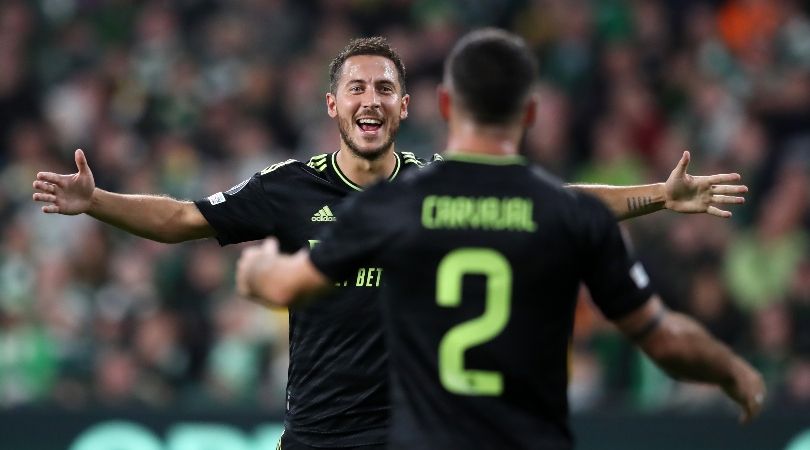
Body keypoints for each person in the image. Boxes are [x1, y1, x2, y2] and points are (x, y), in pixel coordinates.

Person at [34, 37, 748, 449]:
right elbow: (184, 218)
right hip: (318, 435)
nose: (370, 100)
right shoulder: (288, 187)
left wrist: (661, 193)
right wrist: (97, 202)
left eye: (384, 88)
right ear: (333, 104)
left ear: (407, 106)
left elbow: (557, 203)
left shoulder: (432, 186)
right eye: (357, 88)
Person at [235, 29, 765, 450]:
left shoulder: (396, 206)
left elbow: (289, 285)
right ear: (529, 113)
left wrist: (259, 273)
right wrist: (733, 369)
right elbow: (665, 339)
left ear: (443, 105)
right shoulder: (564, 213)